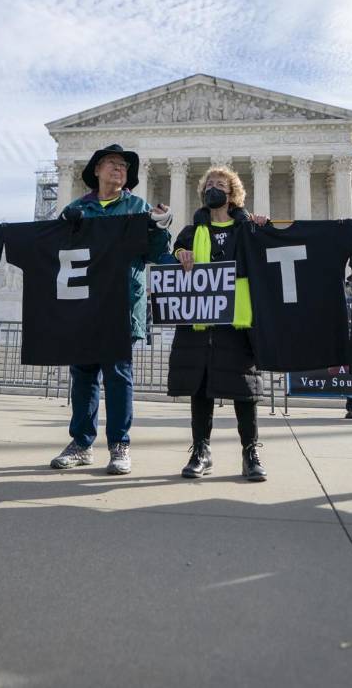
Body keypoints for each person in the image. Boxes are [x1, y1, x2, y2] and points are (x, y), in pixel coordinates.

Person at [49, 144, 171, 475]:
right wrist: (63, 226)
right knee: (84, 375)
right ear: (97, 171)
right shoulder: (78, 208)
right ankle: (82, 444)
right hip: (84, 305)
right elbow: (54, 251)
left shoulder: (137, 207)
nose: (120, 170)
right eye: (112, 164)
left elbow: (153, 254)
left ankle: (119, 446)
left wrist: (161, 228)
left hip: (120, 304)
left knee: (118, 376)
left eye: (124, 166)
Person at [168, 167, 268, 481]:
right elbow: (174, 256)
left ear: (232, 192)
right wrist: (181, 253)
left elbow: (266, 259)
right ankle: (201, 451)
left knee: (244, 389)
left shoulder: (247, 229)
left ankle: (250, 452)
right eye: (209, 184)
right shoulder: (191, 230)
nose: (214, 188)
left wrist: (264, 230)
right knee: (200, 387)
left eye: (220, 185)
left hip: (237, 320)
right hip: (199, 318)